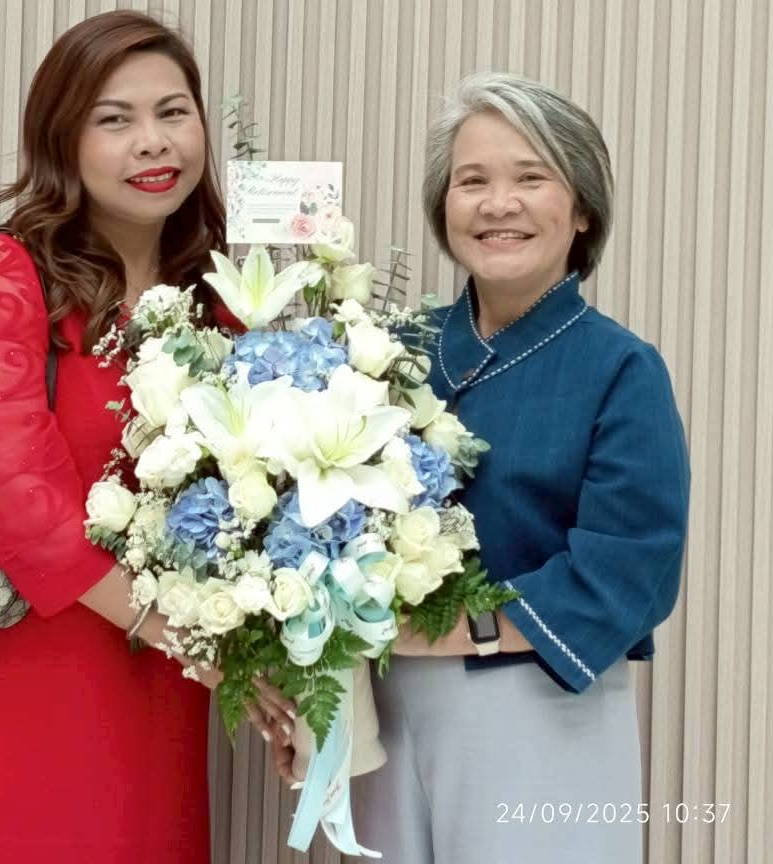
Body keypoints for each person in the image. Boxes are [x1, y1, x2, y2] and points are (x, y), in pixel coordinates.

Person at [0, 11, 285, 864]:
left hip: (149, 682)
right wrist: (201, 646)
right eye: (115, 119)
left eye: (173, 112)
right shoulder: (4, 275)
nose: (153, 142)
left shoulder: (216, 299)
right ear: (62, 140)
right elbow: (20, 503)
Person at [273, 72, 690, 864]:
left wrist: (444, 632)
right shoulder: (391, 351)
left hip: (540, 708)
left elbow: (628, 573)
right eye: (473, 182)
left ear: (583, 209)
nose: (500, 204)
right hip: (383, 708)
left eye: (531, 177)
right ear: (444, 207)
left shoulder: (620, 369)